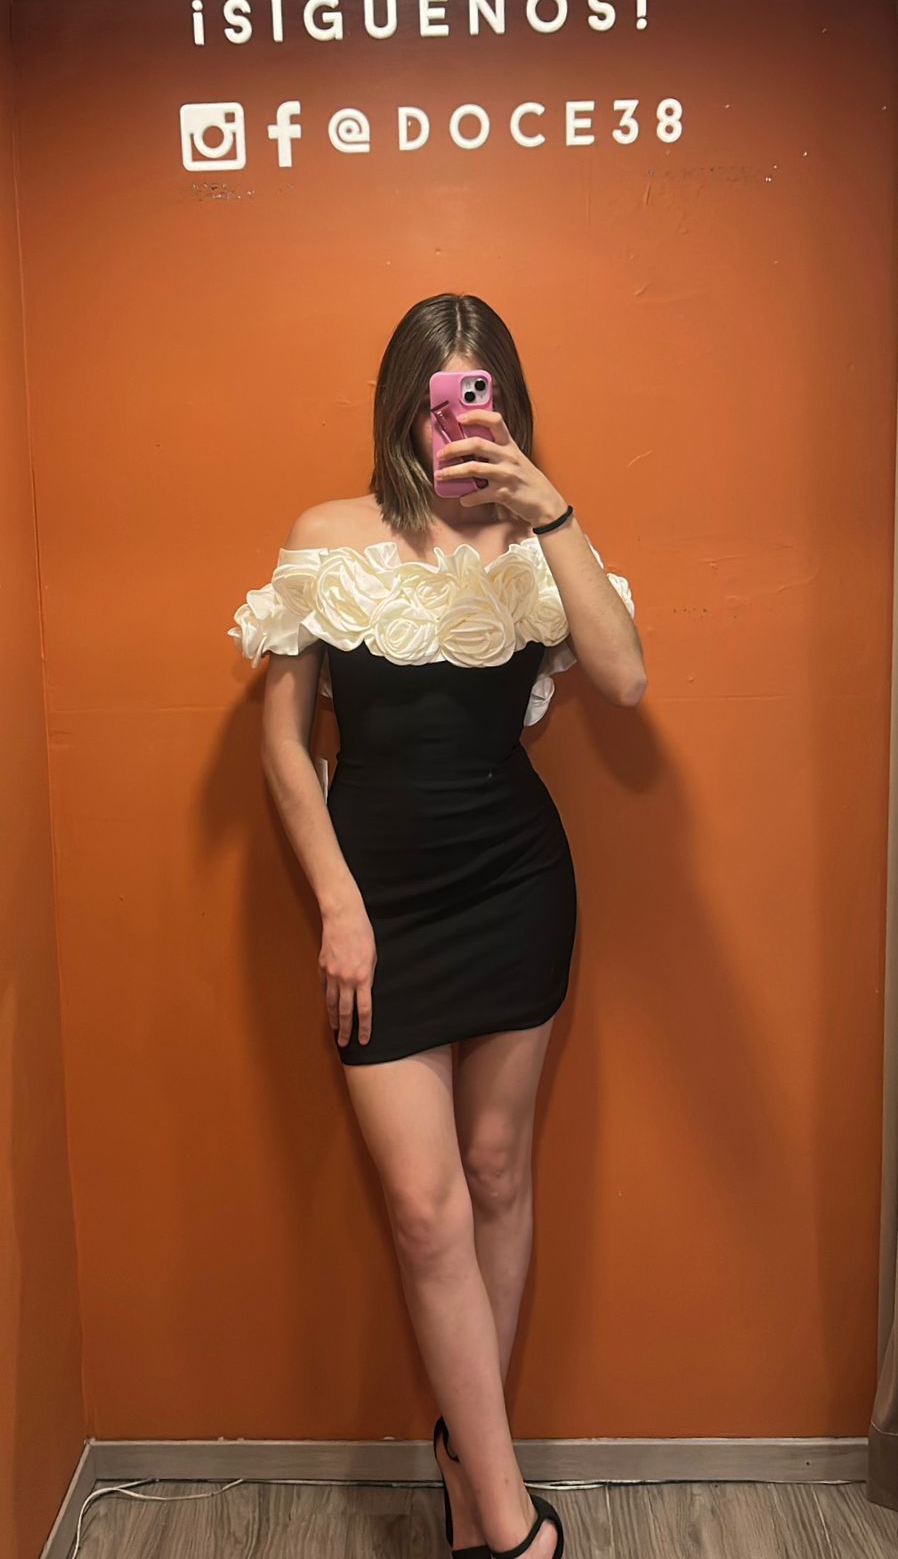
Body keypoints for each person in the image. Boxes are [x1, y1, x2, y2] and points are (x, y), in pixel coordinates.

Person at [228, 292, 647, 1559]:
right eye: (440, 400)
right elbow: (282, 746)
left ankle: (473, 1480)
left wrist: (550, 511)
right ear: (403, 405)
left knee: (498, 1172)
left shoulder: (537, 540)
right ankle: (513, 1528)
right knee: (424, 1208)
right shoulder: (329, 537)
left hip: (516, 886)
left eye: (483, 398)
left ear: (506, 405)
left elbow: (624, 678)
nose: (460, 423)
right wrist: (337, 904)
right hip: (379, 906)